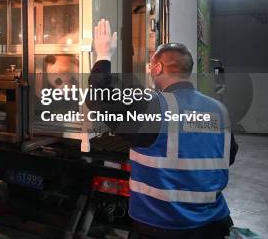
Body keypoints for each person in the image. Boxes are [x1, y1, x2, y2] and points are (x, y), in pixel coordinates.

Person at [88, 19, 237, 239]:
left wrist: (103, 55)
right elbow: (228, 157)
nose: (150, 70)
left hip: (162, 226)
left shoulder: (154, 105)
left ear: (158, 68)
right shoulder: (218, 109)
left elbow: (99, 100)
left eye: (150, 66)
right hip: (214, 225)